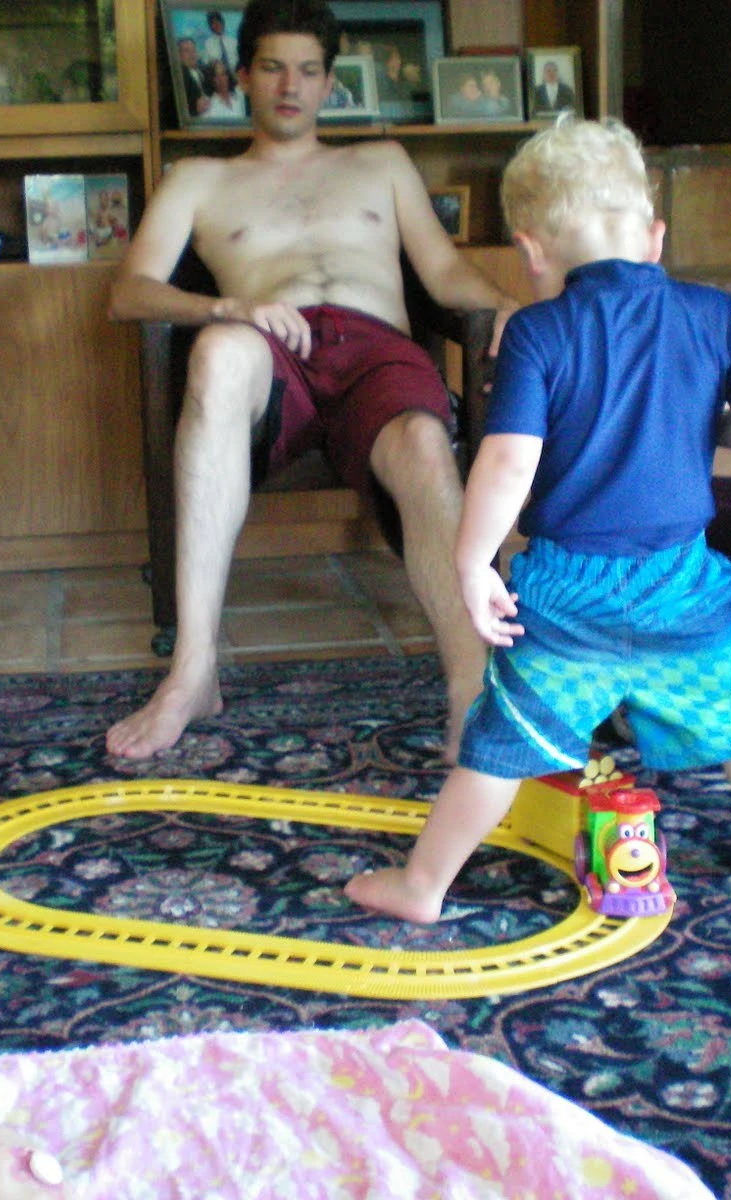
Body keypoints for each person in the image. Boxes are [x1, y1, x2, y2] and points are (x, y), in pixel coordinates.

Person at [345, 117, 731, 923]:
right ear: (654, 236)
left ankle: (423, 887)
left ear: (532, 252)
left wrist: (471, 561)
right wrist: (718, 427)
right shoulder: (716, 315)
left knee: (501, 744)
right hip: (682, 581)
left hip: (568, 591)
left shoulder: (535, 330)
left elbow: (508, 461)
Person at [103, 0, 519, 762]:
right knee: (219, 353)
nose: (289, 86)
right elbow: (129, 292)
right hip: (268, 348)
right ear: (242, 79)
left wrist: (512, 310)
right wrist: (229, 307)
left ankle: (472, 687)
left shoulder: (383, 163)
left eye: (307, 70)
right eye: (271, 67)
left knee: (426, 443)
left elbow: (444, 270)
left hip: (376, 352)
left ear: (330, 83)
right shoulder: (196, 177)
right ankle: (193, 670)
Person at [175, 36, 213, 119]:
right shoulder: (177, 77)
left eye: (193, 50)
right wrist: (195, 109)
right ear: (178, 55)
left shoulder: (205, 71)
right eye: (187, 51)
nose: (192, 54)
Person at [199, 9, 239, 77]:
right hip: (218, 77)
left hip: (235, 74)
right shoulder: (207, 44)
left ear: (222, 23)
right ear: (210, 26)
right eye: (213, 23)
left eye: (218, 22)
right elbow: (206, 64)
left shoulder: (233, 42)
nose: (217, 25)